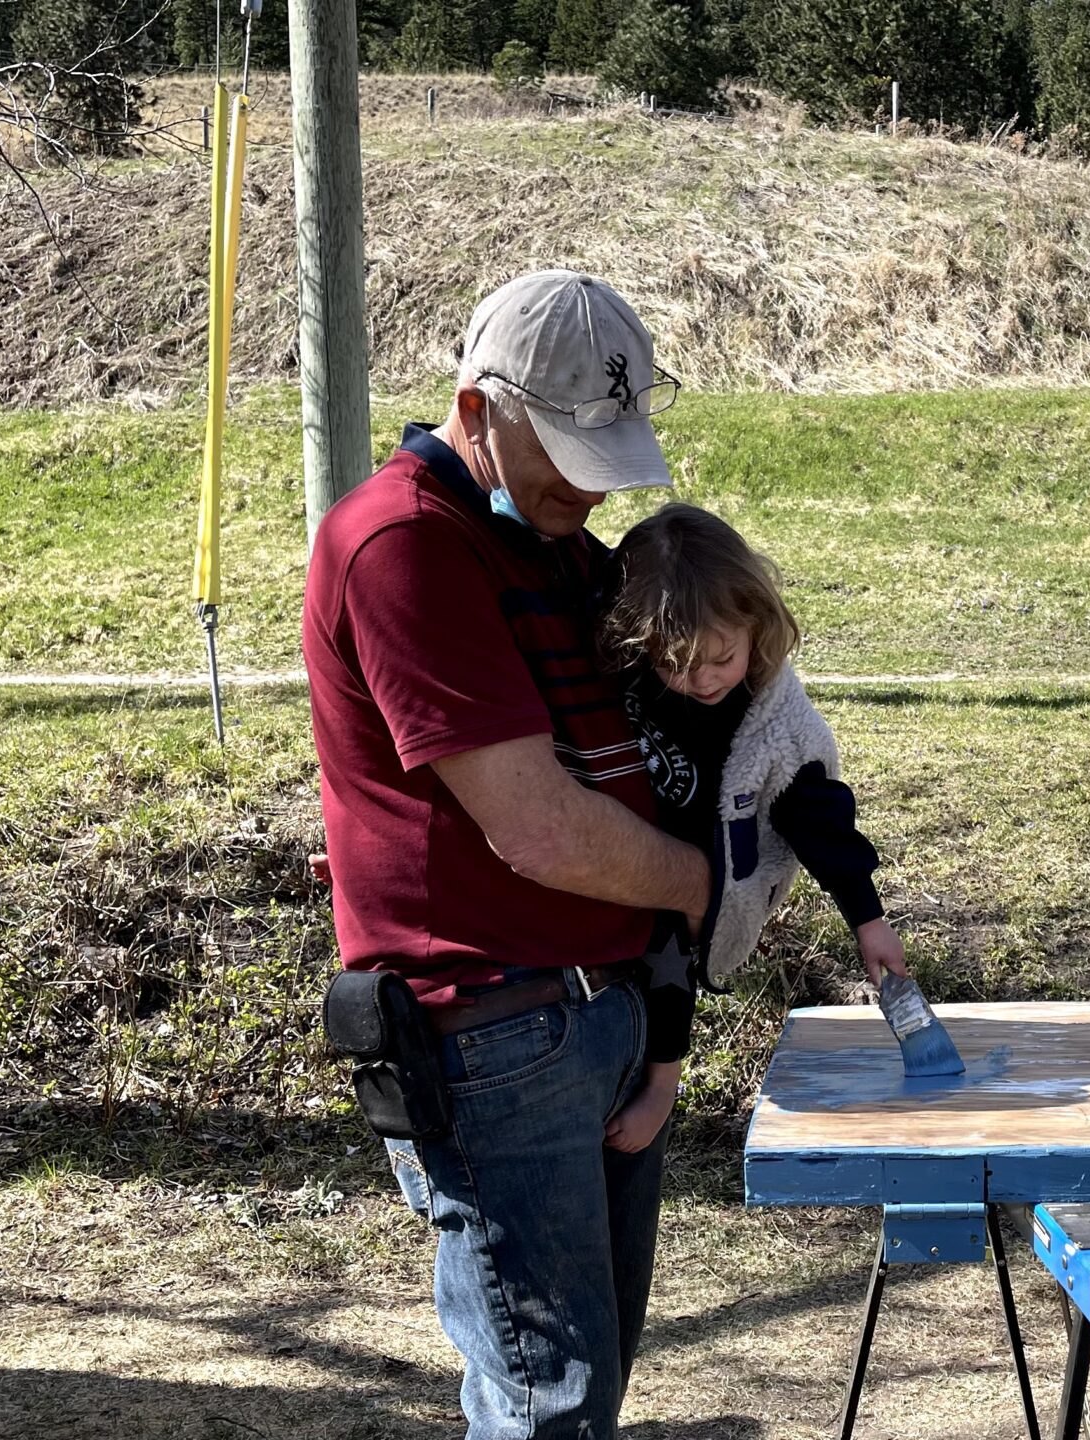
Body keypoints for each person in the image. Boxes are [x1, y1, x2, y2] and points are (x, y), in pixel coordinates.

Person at [302, 270, 707, 1440]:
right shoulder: (400, 546)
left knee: (585, 1383)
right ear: (477, 413)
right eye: (569, 451)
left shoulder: (556, 544)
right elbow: (534, 826)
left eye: (610, 450)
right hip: (493, 1030)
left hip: (600, 1009)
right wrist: (710, 888)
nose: (592, 484)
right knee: (550, 1403)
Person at [595, 502, 910, 1153]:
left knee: (668, 963)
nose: (701, 680)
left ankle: (662, 1083)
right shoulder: (633, 671)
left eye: (721, 658)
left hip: (701, 879)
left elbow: (821, 822)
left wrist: (867, 917)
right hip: (618, 854)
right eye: (677, 664)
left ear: (755, 627)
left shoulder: (777, 727)